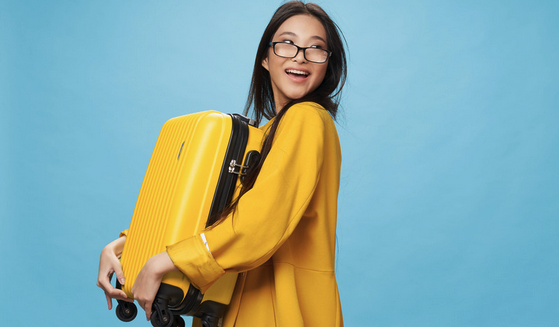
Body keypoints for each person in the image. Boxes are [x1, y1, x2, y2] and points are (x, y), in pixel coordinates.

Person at [97, 1, 347, 326]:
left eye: (316, 48)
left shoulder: (307, 118)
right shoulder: (266, 133)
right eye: (287, 43)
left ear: (328, 64)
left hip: (279, 311)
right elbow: (209, 213)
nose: (300, 55)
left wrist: (165, 262)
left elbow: (258, 221)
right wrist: (124, 246)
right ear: (265, 57)